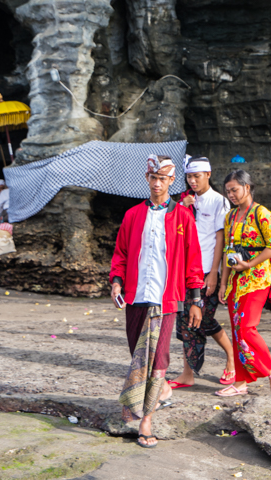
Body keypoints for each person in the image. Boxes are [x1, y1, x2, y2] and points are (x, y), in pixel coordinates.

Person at [110, 154, 205, 449]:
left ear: (171, 181)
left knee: (159, 358)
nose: (157, 183)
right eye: (153, 178)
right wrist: (116, 282)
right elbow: (121, 254)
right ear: (147, 179)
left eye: (162, 179)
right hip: (136, 297)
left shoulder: (182, 217)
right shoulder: (132, 215)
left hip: (167, 299)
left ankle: (146, 420)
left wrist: (195, 300)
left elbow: (193, 260)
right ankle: (154, 394)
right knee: (137, 355)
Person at [215, 169, 271, 398]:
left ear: (247, 187)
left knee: (246, 328)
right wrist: (223, 283)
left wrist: (249, 264)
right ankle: (241, 382)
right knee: (236, 332)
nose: (231, 195)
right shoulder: (230, 217)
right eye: (228, 192)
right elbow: (227, 250)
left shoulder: (262, 213)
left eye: (234, 190)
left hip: (257, 279)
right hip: (236, 279)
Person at [171, 156, 237, 389]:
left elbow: (221, 239)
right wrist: (183, 207)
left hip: (207, 269)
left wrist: (215, 274)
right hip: (184, 270)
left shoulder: (219, 201)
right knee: (185, 322)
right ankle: (187, 373)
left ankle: (231, 356)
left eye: (196, 176)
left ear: (208, 174)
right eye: (189, 176)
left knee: (204, 318)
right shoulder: (183, 202)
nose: (192, 181)